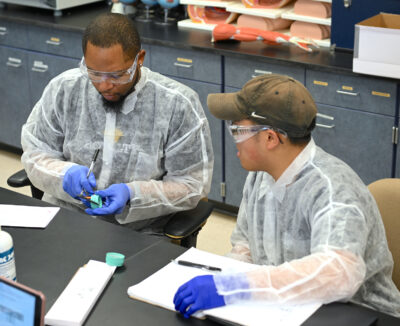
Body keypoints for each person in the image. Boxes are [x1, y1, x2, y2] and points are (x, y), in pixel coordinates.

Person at [173, 74, 400, 318]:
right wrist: (225, 276)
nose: (234, 140)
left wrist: (235, 287)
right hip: (290, 309)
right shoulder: (261, 175)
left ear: (271, 138)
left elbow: (339, 273)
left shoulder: (333, 189)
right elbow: (245, 246)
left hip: (360, 314)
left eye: (237, 130)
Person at [21, 13, 213, 234]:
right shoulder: (64, 89)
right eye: (94, 73)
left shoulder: (177, 104)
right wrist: (65, 173)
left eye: (116, 75)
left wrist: (132, 193)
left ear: (139, 59)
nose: (105, 85)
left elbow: (191, 186)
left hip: (140, 231)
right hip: (66, 217)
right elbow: (35, 154)